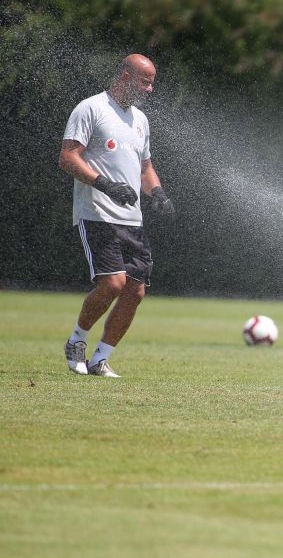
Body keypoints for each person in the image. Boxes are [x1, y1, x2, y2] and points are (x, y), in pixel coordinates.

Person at [59, 54, 175, 378]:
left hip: (132, 219)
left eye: (152, 82)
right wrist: (104, 184)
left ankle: (100, 359)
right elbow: (67, 157)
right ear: (125, 76)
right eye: (145, 81)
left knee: (135, 291)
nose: (150, 89)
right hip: (97, 212)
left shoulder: (140, 120)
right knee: (113, 284)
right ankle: (76, 341)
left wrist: (158, 193)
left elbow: (145, 167)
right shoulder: (91, 108)